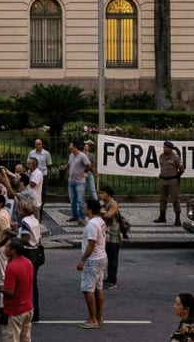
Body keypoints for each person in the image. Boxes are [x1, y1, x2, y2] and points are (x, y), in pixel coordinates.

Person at [75, 198, 106, 329]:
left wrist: (82, 260)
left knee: (88, 289)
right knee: (98, 287)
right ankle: (99, 316)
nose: (84, 208)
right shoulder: (100, 221)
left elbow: (91, 244)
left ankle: (92, 319)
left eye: (85, 206)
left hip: (92, 260)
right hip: (101, 257)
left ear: (90, 209)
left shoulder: (92, 224)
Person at [0, 239, 33, 342]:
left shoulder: (12, 267)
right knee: (25, 338)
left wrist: (0, 288)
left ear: (14, 251)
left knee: (11, 338)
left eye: (7, 247)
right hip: (27, 307)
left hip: (14, 310)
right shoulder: (28, 262)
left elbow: (10, 291)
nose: (5, 249)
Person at [98, 186, 122, 289]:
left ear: (108, 194)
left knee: (113, 258)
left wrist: (100, 212)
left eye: (102, 193)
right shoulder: (103, 203)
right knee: (107, 257)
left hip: (113, 235)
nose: (100, 195)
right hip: (106, 234)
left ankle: (113, 280)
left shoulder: (113, 204)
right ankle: (109, 277)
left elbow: (108, 215)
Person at [156, 140, 185, 224]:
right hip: (163, 180)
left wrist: (177, 176)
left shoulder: (175, 157)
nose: (164, 148)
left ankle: (177, 218)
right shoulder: (161, 156)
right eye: (164, 147)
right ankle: (162, 216)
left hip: (172, 181)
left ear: (170, 148)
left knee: (175, 200)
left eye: (166, 147)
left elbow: (181, 168)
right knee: (162, 199)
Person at [66, 141, 91, 223]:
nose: (69, 148)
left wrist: (86, 172)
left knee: (80, 201)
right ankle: (75, 216)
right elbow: (69, 164)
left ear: (75, 147)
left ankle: (82, 217)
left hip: (80, 182)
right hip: (71, 181)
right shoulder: (71, 155)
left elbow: (88, 165)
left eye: (71, 146)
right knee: (73, 200)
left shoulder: (82, 156)